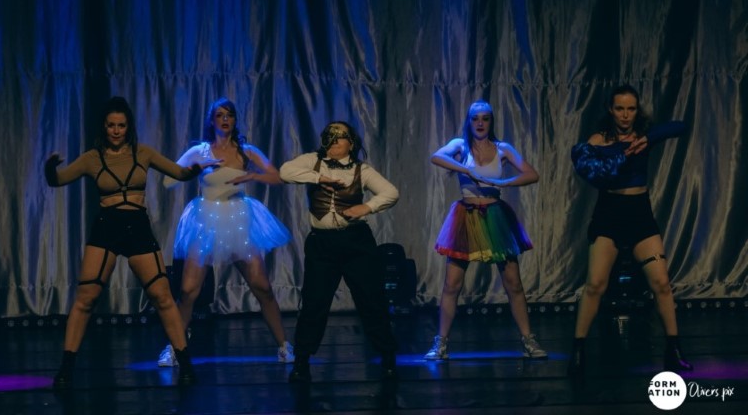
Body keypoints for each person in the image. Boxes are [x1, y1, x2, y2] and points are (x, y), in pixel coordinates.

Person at [45, 96, 212, 388]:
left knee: (162, 296)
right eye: (111, 125)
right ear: (104, 126)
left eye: (121, 125)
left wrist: (197, 168)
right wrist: (50, 168)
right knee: (86, 298)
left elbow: (180, 173)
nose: (116, 131)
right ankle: (66, 369)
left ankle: (185, 364)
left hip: (136, 227)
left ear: (128, 127)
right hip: (107, 227)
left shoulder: (143, 153)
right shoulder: (92, 158)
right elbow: (57, 180)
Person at [157, 97, 294, 367]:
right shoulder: (200, 151)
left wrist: (253, 176)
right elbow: (167, 181)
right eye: (219, 115)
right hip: (206, 219)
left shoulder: (246, 151)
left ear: (234, 120)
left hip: (238, 219)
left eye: (229, 115)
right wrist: (195, 169)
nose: (225, 119)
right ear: (212, 121)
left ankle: (283, 345)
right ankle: (175, 347)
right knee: (188, 291)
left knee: (262, 287)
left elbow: (277, 176)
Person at [569, 84, 693, 375]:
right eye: (620, 109)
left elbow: (681, 126)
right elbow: (594, 173)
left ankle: (674, 351)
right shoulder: (598, 140)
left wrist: (647, 139)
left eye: (631, 109)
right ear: (610, 110)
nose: (625, 115)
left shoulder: (642, 136)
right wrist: (622, 154)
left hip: (640, 215)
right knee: (595, 285)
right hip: (610, 214)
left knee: (661, 283)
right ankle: (578, 352)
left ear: (637, 111)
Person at [425, 100, 547, 361]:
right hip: (466, 217)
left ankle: (529, 340)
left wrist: (503, 182)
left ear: (491, 121)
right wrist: (466, 169)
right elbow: (436, 156)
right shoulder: (460, 145)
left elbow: (531, 174)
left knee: (513, 283)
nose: (480, 123)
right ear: (469, 121)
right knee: (452, 284)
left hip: (494, 216)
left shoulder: (502, 148)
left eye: (485, 118)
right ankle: (440, 343)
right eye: (475, 118)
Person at [279, 121, 399, 383]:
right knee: (314, 303)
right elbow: (285, 172)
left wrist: (367, 207)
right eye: (329, 135)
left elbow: (391, 192)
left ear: (351, 143)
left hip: (356, 242)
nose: (334, 140)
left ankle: (388, 356)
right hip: (322, 244)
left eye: (340, 136)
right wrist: (318, 178)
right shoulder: (313, 161)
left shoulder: (361, 169)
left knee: (371, 301)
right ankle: (302, 361)